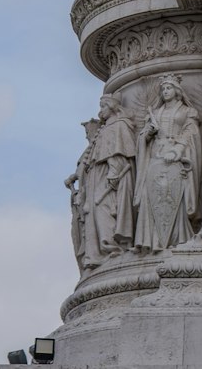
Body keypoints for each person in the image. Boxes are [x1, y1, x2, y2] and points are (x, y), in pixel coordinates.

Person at [134, 74, 202, 252]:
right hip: (156, 158)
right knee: (151, 196)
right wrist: (148, 132)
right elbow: (143, 137)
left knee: (174, 197)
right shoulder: (155, 113)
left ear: (177, 91)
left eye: (169, 88)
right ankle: (151, 241)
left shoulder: (187, 112)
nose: (165, 91)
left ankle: (177, 238)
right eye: (163, 89)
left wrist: (178, 150)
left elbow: (192, 133)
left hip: (175, 158)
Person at [82, 94, 137, 268]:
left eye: (103, 106)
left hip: (109, 176)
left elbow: (118, 153)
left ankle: (111, 247)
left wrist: (114, 173)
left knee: (103, 209)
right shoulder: (107, 128)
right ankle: (97, 253)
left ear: (112, 107)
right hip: (98, 175)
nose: (100, 112)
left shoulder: (119, 126)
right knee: (93, 210)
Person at [64, 118, 98, 271]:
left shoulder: (98, 145)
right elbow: (82, 170)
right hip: (83, 197)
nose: (86, 136)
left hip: (93, 195)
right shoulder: (90, 149)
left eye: (88, 132)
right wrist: (74, 177)